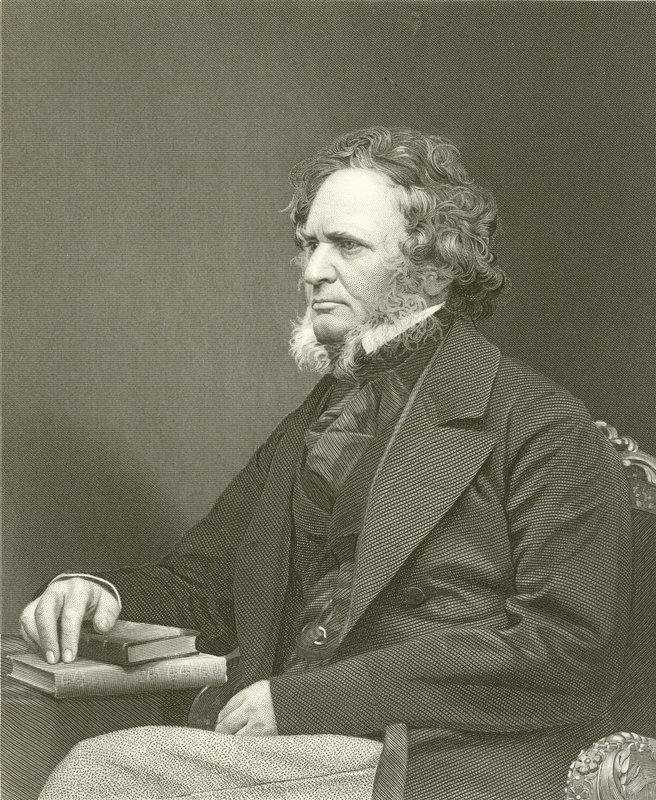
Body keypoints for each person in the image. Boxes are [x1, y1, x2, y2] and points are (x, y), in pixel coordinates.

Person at [21, 127, 631, 800]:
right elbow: (208, 582)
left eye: (346, 245)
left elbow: (567, 648)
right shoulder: (319, 416)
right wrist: (101, 593)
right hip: (299, 752)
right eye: (310, 244)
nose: (312, 271)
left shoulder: (542, 423)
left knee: (105, 774)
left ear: (432, 268)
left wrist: (308, 703)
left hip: (440, 762)